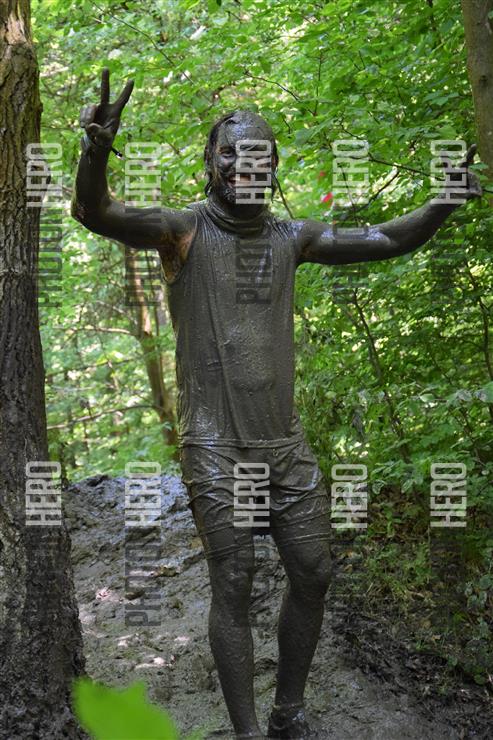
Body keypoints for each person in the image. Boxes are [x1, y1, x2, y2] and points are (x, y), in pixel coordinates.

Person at [72, 69, 481, 739]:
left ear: (274, 167)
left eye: (259, 155)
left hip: (284, 446)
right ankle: (246, 732)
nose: (245, 165)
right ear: (211, 161)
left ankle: (288, 713)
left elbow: (387, 238)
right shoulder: (182, 230)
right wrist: (94, 149)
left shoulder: (293, 237)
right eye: (232, 153)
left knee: (314, 573)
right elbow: (95, 213)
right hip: (214, 445)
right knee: (233, 581)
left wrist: (442, 202)